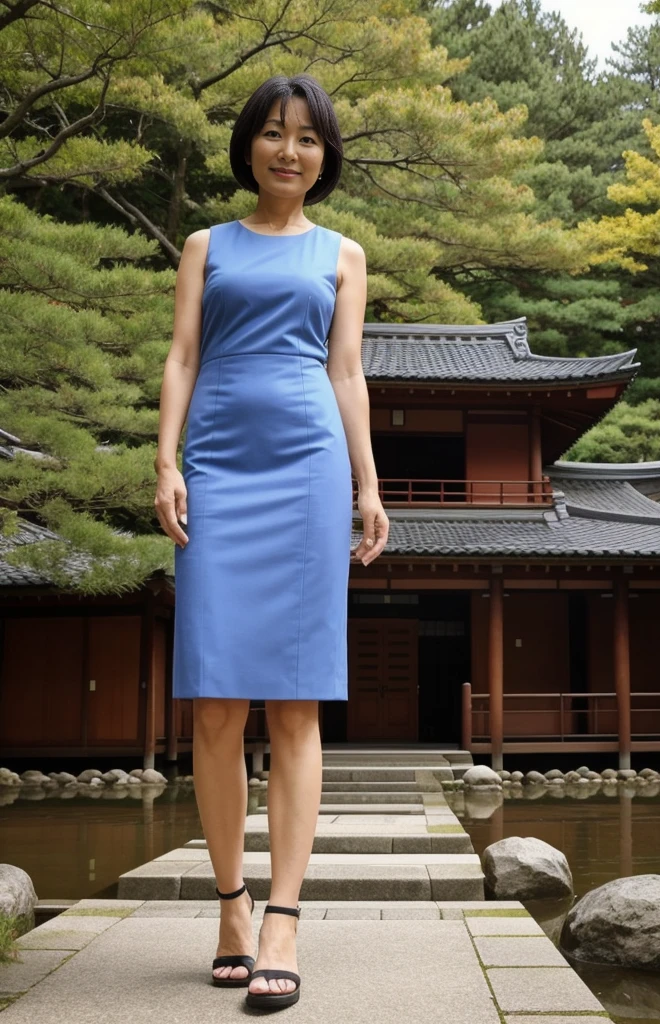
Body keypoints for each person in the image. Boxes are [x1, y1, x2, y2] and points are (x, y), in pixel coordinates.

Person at [153, 72, 389, 1012]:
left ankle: (284, 916)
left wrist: (369, 486)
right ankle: (230, 906)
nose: (290, 151)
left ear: (324, 159)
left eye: (308, 139)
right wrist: (164, 462)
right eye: (274, 134)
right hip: (214, 466)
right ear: (249, 144)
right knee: (215, 701)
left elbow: (347, 370)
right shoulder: (208, 245)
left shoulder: (344, 254)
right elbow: (181, 355)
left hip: (305, 470)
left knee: (295, 703)